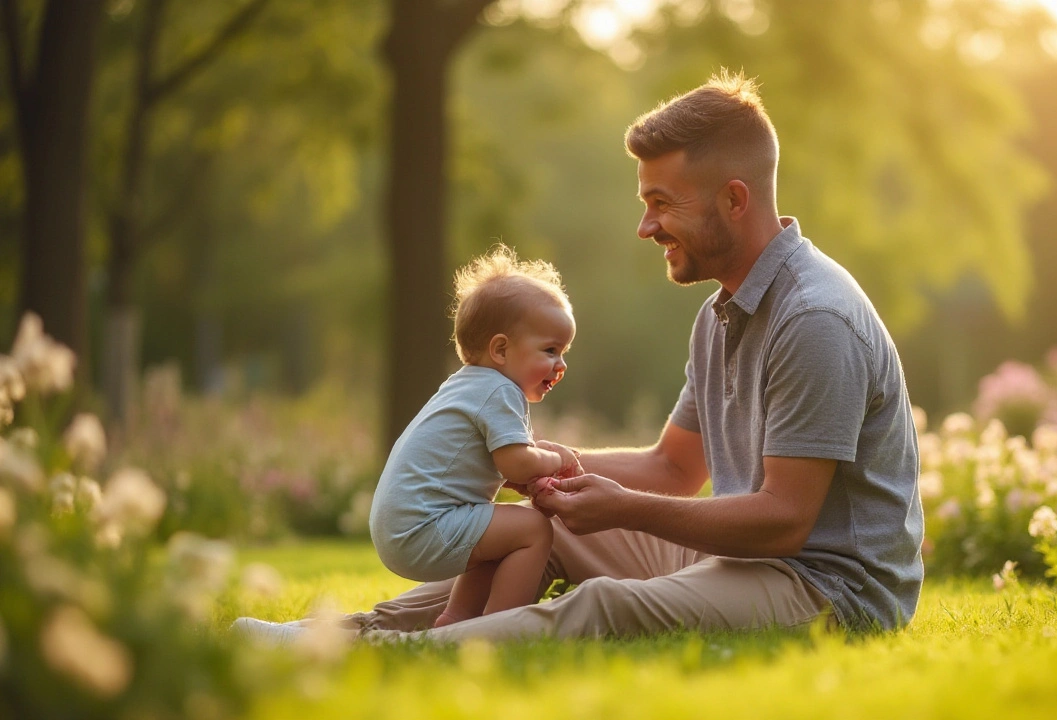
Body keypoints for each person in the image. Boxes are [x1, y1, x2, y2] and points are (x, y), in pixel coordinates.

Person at [234, 70, 922, 645]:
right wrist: (532, 468)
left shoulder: (814, 319)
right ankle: (339, 638)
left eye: (661, 203)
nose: (645, 226)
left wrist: (624, 507)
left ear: (734, 200)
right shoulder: (720, 316)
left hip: (829, 588)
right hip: (749, 559)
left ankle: (412, 656)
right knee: (546, 531)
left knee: (606, 606)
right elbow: (674, 469)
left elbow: (785, 518)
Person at [368, 244, 582, 628]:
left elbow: (491, 466)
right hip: (422, 527)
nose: (561, 364)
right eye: (550, 350)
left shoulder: (466, 385)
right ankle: (500, 626)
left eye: (564, 351)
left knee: (504, 532)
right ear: (500, 349)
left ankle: (456, 620)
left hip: (399, 525)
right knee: (533, 529)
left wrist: (526, 477)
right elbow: (515, 460)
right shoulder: (501, 391)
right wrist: (556, 458)